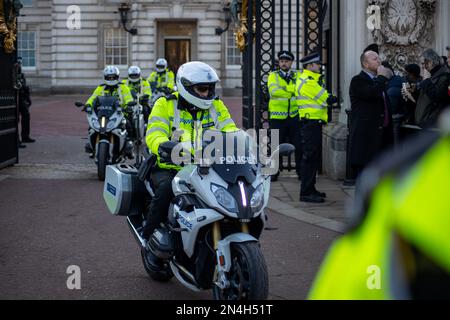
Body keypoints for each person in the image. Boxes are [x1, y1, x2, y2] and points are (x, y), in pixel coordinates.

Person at [309, 110, 450, 300]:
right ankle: (303, 188)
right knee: (305, 158)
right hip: (304, 122)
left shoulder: (408, 170)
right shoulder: (409, 173)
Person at [143, 61, 239, 240]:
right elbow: (154, 133)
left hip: (206, 167)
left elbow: (230, 129)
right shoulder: (165, 104)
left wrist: (244, 145)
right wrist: (164, 146)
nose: (208, 94)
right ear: (186, 87)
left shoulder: (215, 106)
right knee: (165, 190)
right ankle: (149, 236)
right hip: (171, 166)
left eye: (211, 88)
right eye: (203, 89)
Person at [295, 52, 337, 203]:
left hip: (312, 123)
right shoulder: (308, 80)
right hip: (311, 123)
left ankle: (311, 188)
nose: (320, 66)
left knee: (312, 159)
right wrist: (334, 97)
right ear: (310, 65)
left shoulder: (309, 79)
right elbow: (326, 98)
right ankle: (306, 192)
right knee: (310, 158)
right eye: (318, 64)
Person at [348, 50, 393, 179]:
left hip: (382, 137)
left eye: (379, 58)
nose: (379, 61)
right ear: (365, 64)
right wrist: (382, 78)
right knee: (365, 180)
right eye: (375, 59)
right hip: (366, 140)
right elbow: (371, 94)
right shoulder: (358, 80)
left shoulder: (379, 81)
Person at [267, 50, 302, 181]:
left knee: (298, 145)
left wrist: (287, 90)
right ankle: (273, 172)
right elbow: (274, 91)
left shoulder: (297, 75)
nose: (283, 63)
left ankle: (301, 172)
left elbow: (300, 90)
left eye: (286, 61)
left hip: (294, 116)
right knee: (275, 145)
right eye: (281, 61)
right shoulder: (273, 75)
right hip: (277, 117)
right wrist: (291, 91)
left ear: (291, 62)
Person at [412, 49, 450, 129]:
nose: (422, 67)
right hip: (425, 123)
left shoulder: (444, 76)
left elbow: (438, 98)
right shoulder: (432, 76)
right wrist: (411, 93)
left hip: (433, 125)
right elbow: (423, 99)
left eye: (423, 63)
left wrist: (426, 81)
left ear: (430, 62)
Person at [16, 57, 35, 144]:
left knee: (26, 116)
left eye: (20, 63)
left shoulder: (21, 74)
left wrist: (28, 98)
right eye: (18, 63)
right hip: (15, 99)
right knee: (15, 119)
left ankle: (25, 137)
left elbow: (24, 87)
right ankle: (17, 140)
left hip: (22, 98)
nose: (19, 65)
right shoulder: (13, 73)